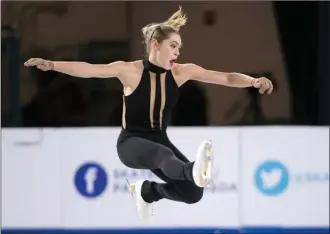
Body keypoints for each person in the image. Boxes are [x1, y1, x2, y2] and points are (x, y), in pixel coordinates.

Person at [24, 6, 273, 223]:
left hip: (159, 139)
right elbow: (89, 70)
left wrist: (253, 81)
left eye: (179, 47)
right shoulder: (130, 71)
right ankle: (192, 169)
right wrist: (53, 65)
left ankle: (148, 192)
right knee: (164, 155)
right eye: (173, 46)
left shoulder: (181, 72)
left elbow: (226, 77)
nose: (177, 52)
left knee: (193, 194)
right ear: (156, 45)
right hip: (131, 143)